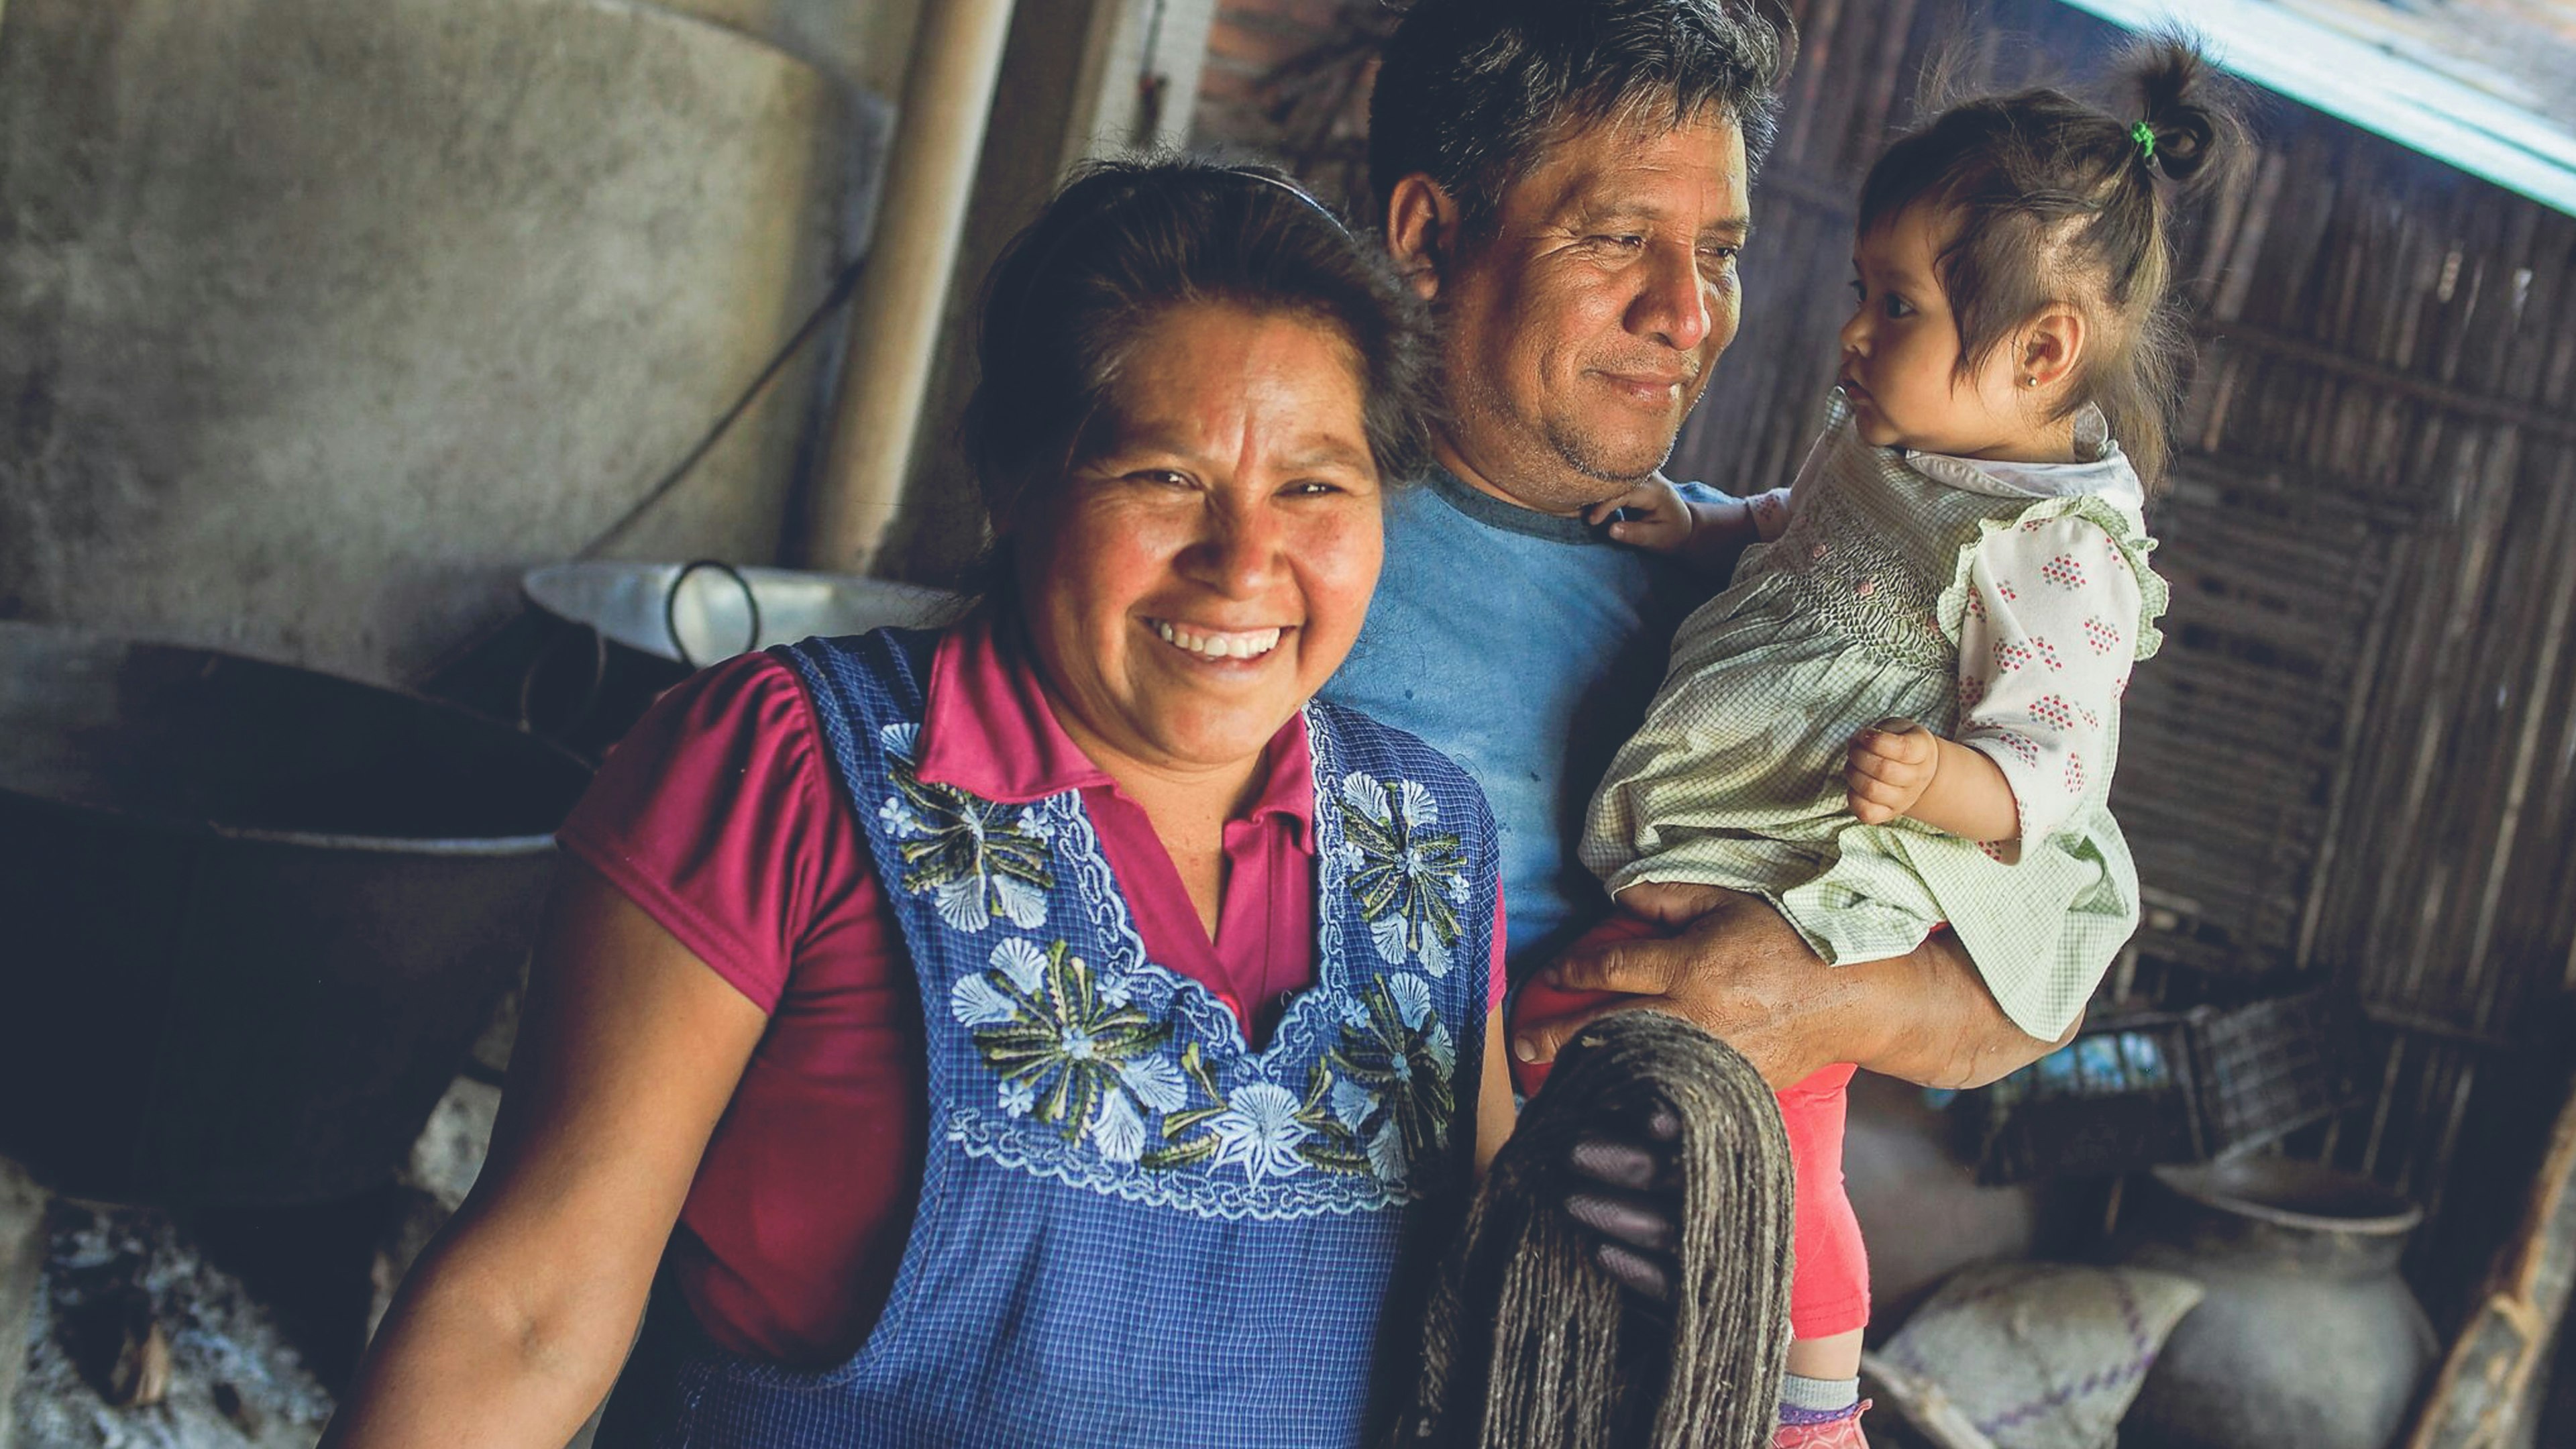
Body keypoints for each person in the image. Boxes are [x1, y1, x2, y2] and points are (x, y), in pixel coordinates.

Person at [321, 158, 1516, 1448]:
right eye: (1162, 478)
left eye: (1314, 487)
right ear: (1011, 479)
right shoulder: (785, 770)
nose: (1243, 564)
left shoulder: (1427, 846)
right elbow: (531, 1316)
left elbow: (1492, 1316)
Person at [1318, 0, 2095, 1436]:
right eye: (1618, 239)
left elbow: (2043, 971)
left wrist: (1809, 1003)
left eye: (1719, 253)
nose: (1688, 315)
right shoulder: (1283, 570)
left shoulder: (1802, 607)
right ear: (1430, 238)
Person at [1518, 39, 2249, 1444]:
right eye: (1863, 292)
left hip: (1836, 865)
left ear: (2043, 351)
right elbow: (1803, 538)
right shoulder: (1897, 440)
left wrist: (1943, 781)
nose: (1852, 332)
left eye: (1894, 304)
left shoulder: (2056, 552)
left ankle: (1815, 1401)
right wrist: (1704, 522)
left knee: (1792, 1156)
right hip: (1752, 813)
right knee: (1696, 1112)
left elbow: (2054, 762)